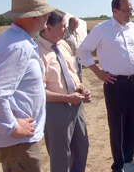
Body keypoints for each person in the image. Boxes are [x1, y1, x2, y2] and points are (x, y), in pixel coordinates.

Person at [0, 0, 56, 172]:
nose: (47, 16)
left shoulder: (10, 38)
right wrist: (12, 126)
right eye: (44, 13)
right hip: (18, 144)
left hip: (17, 143)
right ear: (33, 17)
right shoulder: (19, 46)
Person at [78, 0, 134, 172]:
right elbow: (83, 50)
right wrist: (98, 73)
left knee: (133, 121)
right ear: (115, 11)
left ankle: (129, 159)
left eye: (131, 9)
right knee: (116, 124)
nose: (130, 13)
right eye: (127, 10)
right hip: (114, 83)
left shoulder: (133, 27)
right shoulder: (102, 29)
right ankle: (118, 164)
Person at [36, 10, 90, 172]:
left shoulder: (64, 45)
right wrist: (66, 97)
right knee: (61, 157)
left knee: (81, 148)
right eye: (62, 26)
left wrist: (82, 88)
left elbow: (73, 73)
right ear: (48, 27)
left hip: (76, 105)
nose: (66, 30)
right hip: (56, 110)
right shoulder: (36, 52)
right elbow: (39, 92)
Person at [65, 16, 87, 81]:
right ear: (69, 23)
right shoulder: (65, 33)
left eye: (77, 23)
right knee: (71, 76)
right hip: (69, 60)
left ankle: (80, 88)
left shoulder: (77, 33)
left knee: (79, 75)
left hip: (78, 59)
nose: (76, 25)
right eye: (74, 23)